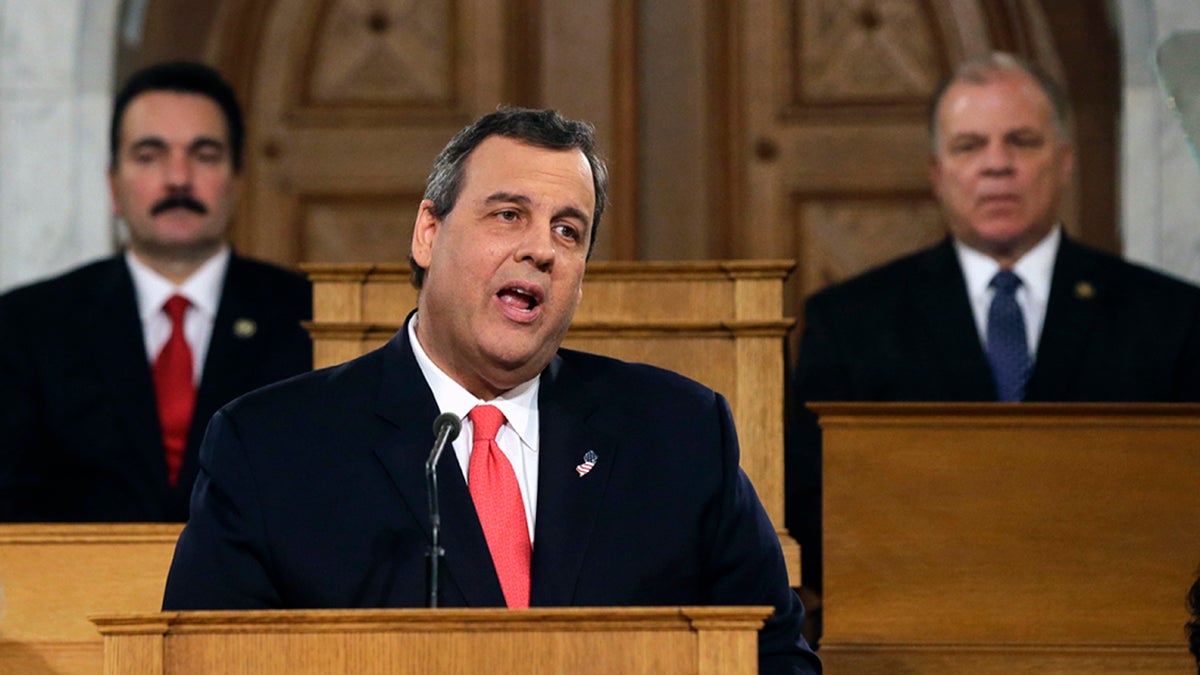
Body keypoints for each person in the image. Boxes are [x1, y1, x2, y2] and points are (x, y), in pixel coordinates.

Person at [162, 107, 821, 673]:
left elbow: (776, 658)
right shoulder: (273, 447)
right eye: (509, 214)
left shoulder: (678, 433)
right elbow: (202, 662)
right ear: (429, 231)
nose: (541, 249)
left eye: (569, 230)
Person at [785, 52, 1200, 644]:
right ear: (937, 172)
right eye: (970, 145)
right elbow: (810, 503)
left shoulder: (1170, 317)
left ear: (1064, 162)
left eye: (1022, 142)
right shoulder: (851, 322)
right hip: (914, 637)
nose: (997, 165)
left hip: (1120, 636)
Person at [0, 61, 312, 521]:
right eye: (150, 156)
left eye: (204, 155)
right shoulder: (28, 324)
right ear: (113, 185)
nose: (178, 179)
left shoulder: (310, 317)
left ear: (237, 181)